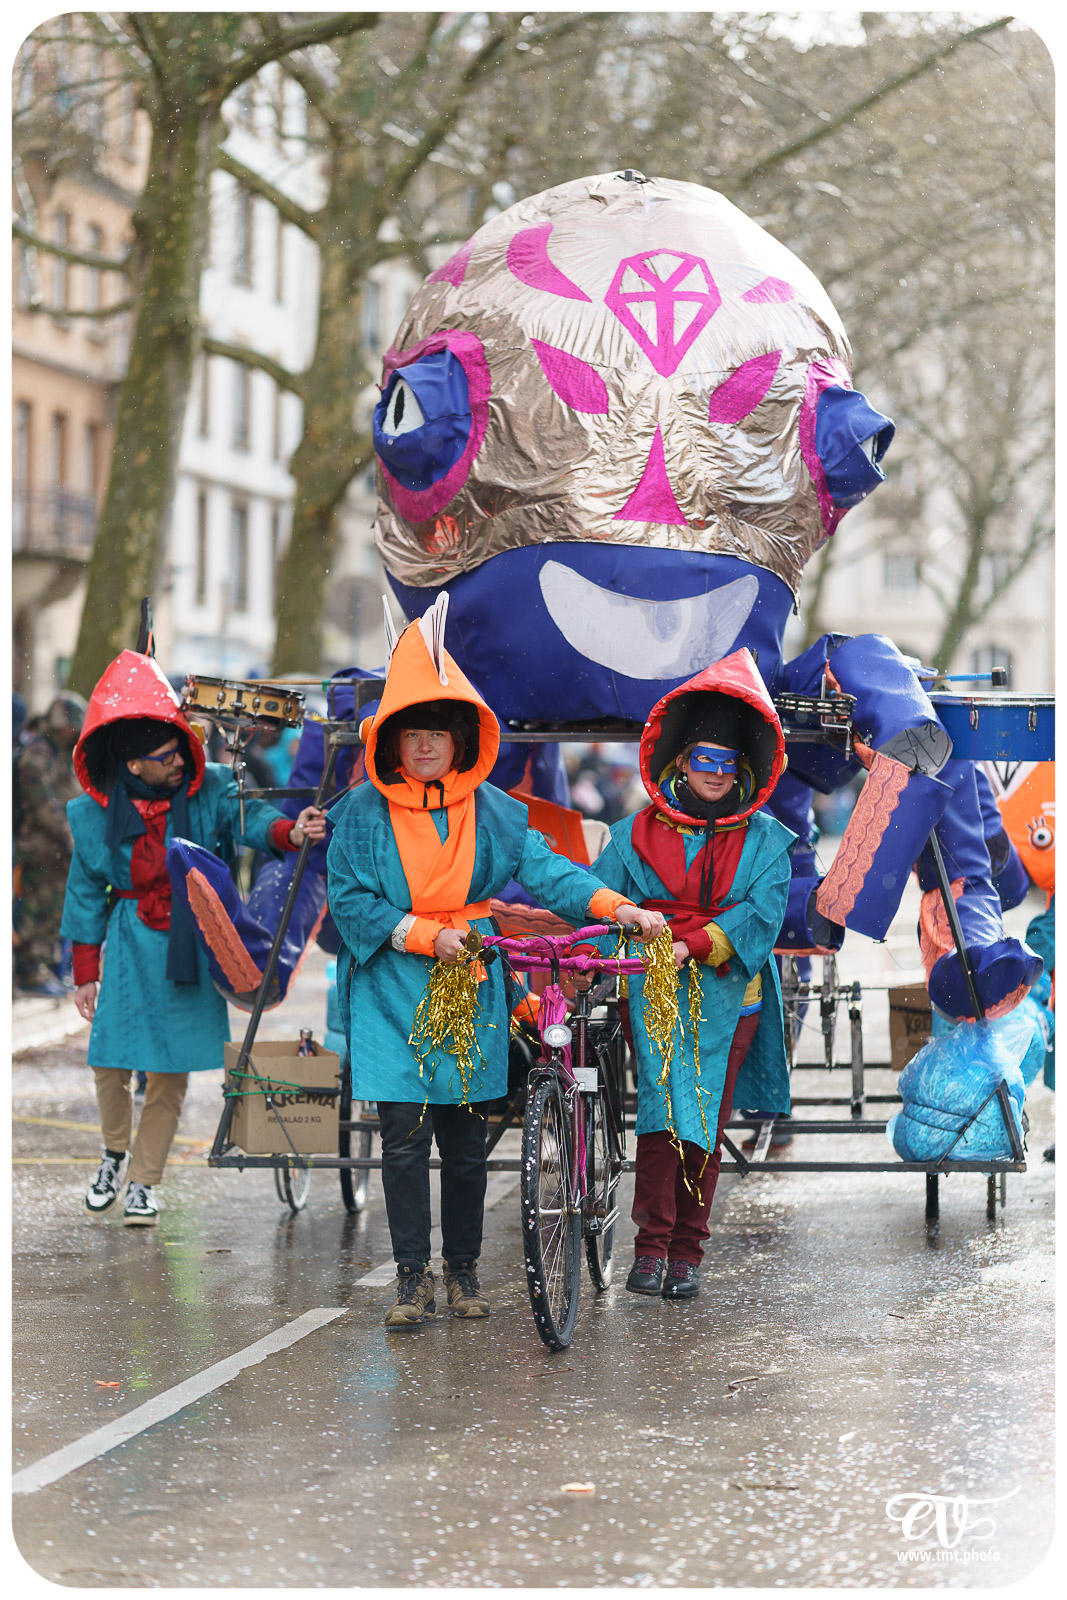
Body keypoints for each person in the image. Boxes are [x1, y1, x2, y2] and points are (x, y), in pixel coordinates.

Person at [326, 602, 664, 1327]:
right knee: (406, 1137)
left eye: (437, 733)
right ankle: (412, 1280)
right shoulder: (357, 812)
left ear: (460, 740)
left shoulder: (498, 812)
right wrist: (421, 935)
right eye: (411, 732)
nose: (425, 746)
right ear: (390, 739)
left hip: (474, 986)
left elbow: (552, 873)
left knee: (466, 1143)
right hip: (392, 990)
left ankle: (464, 1274)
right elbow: (350, 902)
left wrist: (616, 907)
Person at [61, 650, 326, 1227]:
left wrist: (289, 828)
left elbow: (251, 825)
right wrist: (85, 974)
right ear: (133, 766)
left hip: (192, 938)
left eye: (180, 747)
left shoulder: (207, 793)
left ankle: (143, 1184)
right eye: (165, 756)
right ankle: (112, 1153)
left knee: (170, 1071)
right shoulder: (89, 816)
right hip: (129, 942)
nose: (181, 759)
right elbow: (84, 894)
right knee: (110, 1061)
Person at [592, 649, 795, 1299]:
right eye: (702, 759)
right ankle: (649, 1248)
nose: (713, 773)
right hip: (651, 991)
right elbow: (603, 903)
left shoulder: (768, 841)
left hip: (730, 998)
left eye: (726, 762)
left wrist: (693, 944)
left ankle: (687, 1253)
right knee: (658, 1112)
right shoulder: (629, 835)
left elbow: (762, 914)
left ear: (742, 768)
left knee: (703, 1114)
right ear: (680, 761)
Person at [14, 694, 87, 995]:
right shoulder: (38, 754)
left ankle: (45, 969)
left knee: (56, 911)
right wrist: (71, 838)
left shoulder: (59, 753)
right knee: (38, 910)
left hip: (58, 852)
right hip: (40, 850)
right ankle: (31, 972)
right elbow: (46, 805)